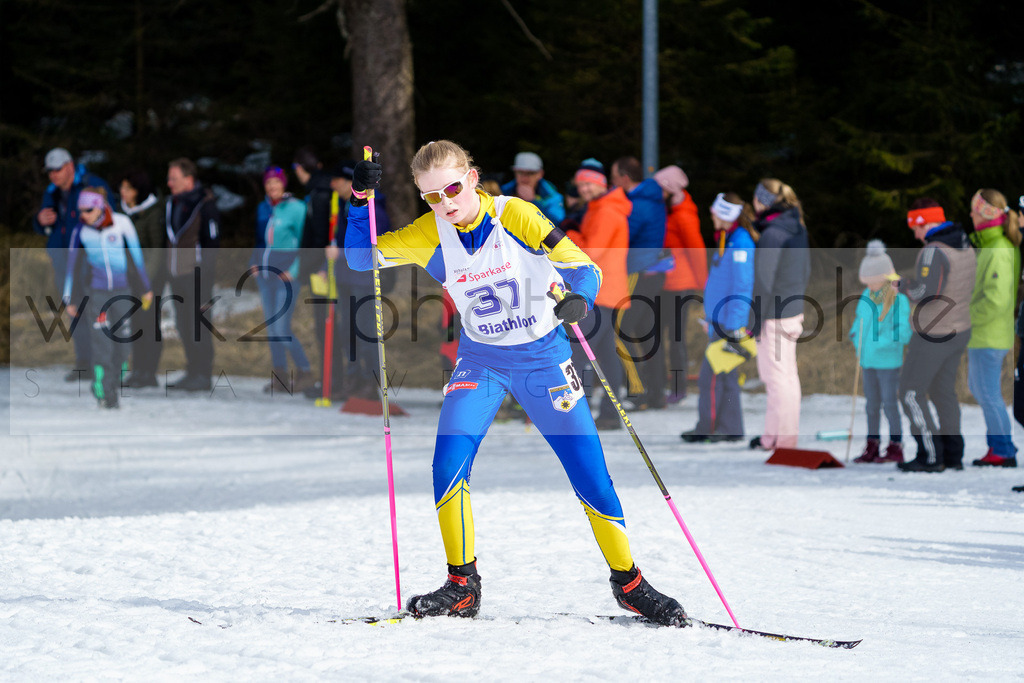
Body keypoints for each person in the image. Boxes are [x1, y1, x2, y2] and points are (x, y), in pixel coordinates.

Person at [345, 140, 686, 626]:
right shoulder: (430, 232)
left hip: (543, 359)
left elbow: (583, 267)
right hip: (480, 361)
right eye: (431, 197)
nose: (445, 202)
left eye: (452, 188)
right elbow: (362, 260)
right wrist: (359, 200)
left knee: (588, 472)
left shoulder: (515, 215)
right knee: (448, 467)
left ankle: (629, 583)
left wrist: (580, 300)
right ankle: (462, 586)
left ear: (474, 177)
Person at [897, 199, 976, 472]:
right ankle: (953, 454)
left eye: (915, 227)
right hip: (959, 328)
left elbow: (926, 293)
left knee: (909, 393)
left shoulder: (933, 251)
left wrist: (903, 285)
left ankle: (930, 455)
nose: (915, 234)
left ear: (924, 222)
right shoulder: (964, 243)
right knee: (943, 392)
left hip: (934, 333)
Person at [62, 187, 152, 408]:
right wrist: (69, 298)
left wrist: (146, 288)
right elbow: (72, 268)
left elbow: (137, 257)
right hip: (98, 293)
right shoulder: (81, 231)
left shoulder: (122, 224)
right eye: (80, 210)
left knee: (122, 345)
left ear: (100, 207)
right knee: (102, 343)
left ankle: (113, 382)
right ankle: (104, 390)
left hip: (123, 291)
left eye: (88, 210)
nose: (83, 214)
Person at [680, 193, 755, 443]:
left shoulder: (740, 241)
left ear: (725, 215)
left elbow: (742, 285)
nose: (711, 215)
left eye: (715, 212)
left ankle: (708, 427)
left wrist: (734, 326)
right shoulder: (727, 238)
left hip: (728, 323)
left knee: (709, 378)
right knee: (726, 376)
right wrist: (710, 317)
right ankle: (731, 428)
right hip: (719, 320)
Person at [563, 160, 632, 430]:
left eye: (589, 184)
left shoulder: (606, 212)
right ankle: (609, 414)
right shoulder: (601, 208)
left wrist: (570, 235)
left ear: (601, 184)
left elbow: (592, 253)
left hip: (599, 292)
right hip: (607, 291)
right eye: (581, 184)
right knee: (605, 354)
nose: (584, 189)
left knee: (577, 354)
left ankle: (575, 413)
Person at [33, 147, 111, 380]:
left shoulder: (91, 184)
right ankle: (84, 361)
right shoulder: (51, 192)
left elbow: (109, 217)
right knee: (73, 307)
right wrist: (39, 221)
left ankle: (104, 361)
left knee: (95, 308)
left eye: (57, 170)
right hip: (63, 259)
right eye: (50, 172)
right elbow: (44, 225)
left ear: (69, 166)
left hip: (88, 257)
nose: (53, 176)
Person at [749, 179, 810, 451]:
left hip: (776, 315)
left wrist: (754, 321)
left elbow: (763, 281)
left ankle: (784, 440)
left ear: (761, 200)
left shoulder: (774, 233)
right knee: (781, 377)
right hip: (789, 310)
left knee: (778, 379)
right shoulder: (794, 226)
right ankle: (773, 437)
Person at [325, 159, 393, 400]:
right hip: (346, 278)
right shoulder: (345, 206)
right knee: (348, 332)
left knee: (365, 333)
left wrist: (341, 254)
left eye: (340, 182)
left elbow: (374, 245)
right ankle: (354, 378)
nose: (335, 186)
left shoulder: (374, 209)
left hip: (363, 280)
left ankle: (370, 382)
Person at [966, 189, 1020, 468]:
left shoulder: (999, 249)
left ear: (986, 214)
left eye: (975, 211)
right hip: (982, 334)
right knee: (978, 388)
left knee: (987, 392)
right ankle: (998, 445)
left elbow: (997, 300)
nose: (971, 215)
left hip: (990, 334)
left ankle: (1003, 449)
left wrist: (966, 314)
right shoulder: (990, 246)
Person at [610, 156, 668, 409]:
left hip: (638, 272)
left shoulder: (639, 204)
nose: (612, 182)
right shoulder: (650, 199)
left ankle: (638, 391)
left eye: (614, 177)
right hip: (652, 272)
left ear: (624, 177)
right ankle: (656, 394)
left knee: (618, 332)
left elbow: (623, 234)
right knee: (646, 335)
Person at [251, 166, 313, 393]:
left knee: (281, 328)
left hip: (286, 276)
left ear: (283, 184)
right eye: (268, 183)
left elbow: (305, 242)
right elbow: (260, 239)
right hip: (265, 275)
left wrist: (295, 269)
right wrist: (253, 261)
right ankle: (280, 376)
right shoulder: (263, 208)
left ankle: (306, 372)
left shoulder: (296, 208)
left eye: (276, 182)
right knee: (271, 329)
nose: (272, 187)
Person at [849, 240, 912, 464]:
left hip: (888, 362)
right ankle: (872, 444)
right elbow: (860, 321)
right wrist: (855, 335)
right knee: (871, 405)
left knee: (889, 403)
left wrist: (877, 343)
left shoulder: (898, 300)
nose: (870, 286)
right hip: (867, 361)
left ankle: (895, 445)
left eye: (873, 282)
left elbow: (902, 333)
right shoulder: (867, 296)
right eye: (867, 282)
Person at [164, 158, 220, 392]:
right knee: (183, 324)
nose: (169, 183)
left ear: (189, 179)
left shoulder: (205, 204)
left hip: (197, 276)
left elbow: (212, 243)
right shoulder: (172, 203)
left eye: (174, 179)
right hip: (177, 275)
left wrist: (204, 274)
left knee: (199, 326)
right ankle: (192, 370)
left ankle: (203, 374)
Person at [652, 165, 707, 404]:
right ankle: (664, 385)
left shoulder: (684, 215)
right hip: (665, 283)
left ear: (670, 190)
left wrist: (704, 285)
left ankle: (678, 387)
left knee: (675, 339)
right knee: (661, 337)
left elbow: (697, 252)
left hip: (680, 286)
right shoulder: (671, 211)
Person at [118, 169, 166, 389]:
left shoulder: (154, 212)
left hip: (149, 278)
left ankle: (148, 371)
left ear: (138, 191)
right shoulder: (124, 212)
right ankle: (137, 369)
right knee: (136, 323)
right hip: (131, 277)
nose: (122, 192)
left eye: (127, 188)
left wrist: (146, 281)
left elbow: (157, 249)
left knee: (149, 323)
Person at [500, 152, 565, 225]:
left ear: (540, 174)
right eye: (520, 172)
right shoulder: (503, 191)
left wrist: (533, 201)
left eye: (530, 173)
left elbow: (557, 223)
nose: (524, 178)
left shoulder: (551, 195)